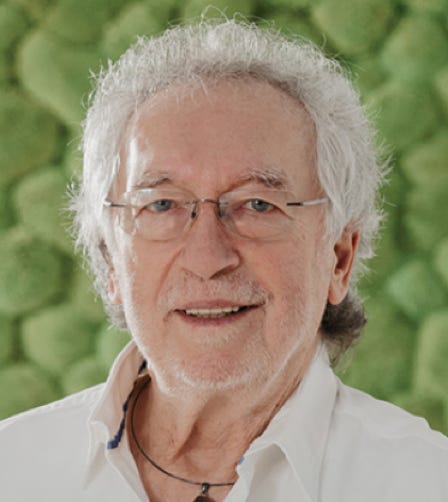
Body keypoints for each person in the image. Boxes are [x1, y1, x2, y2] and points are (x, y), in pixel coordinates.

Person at [1, 19, 447, 502]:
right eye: (161, 205)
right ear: (110, 260)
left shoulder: (425, 483)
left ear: (339, 259)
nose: (207, 257)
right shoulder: (14, 468)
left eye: (258, 204)